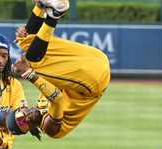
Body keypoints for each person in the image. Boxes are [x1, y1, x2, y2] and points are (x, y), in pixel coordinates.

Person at [7, 0, 110, 139]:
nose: (26, 118)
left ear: (21, 107)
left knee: (24, 41)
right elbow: (58, 99)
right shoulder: (49, 129)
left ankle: (41, 6)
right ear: (29, 130)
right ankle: (54, 15)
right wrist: (28, 73)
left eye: (20, 116)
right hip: (92, 81)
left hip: (95, 58)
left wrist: (25, 43)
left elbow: (48, 71)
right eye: (23, 124)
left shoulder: (40, 102)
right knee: (33, 62)